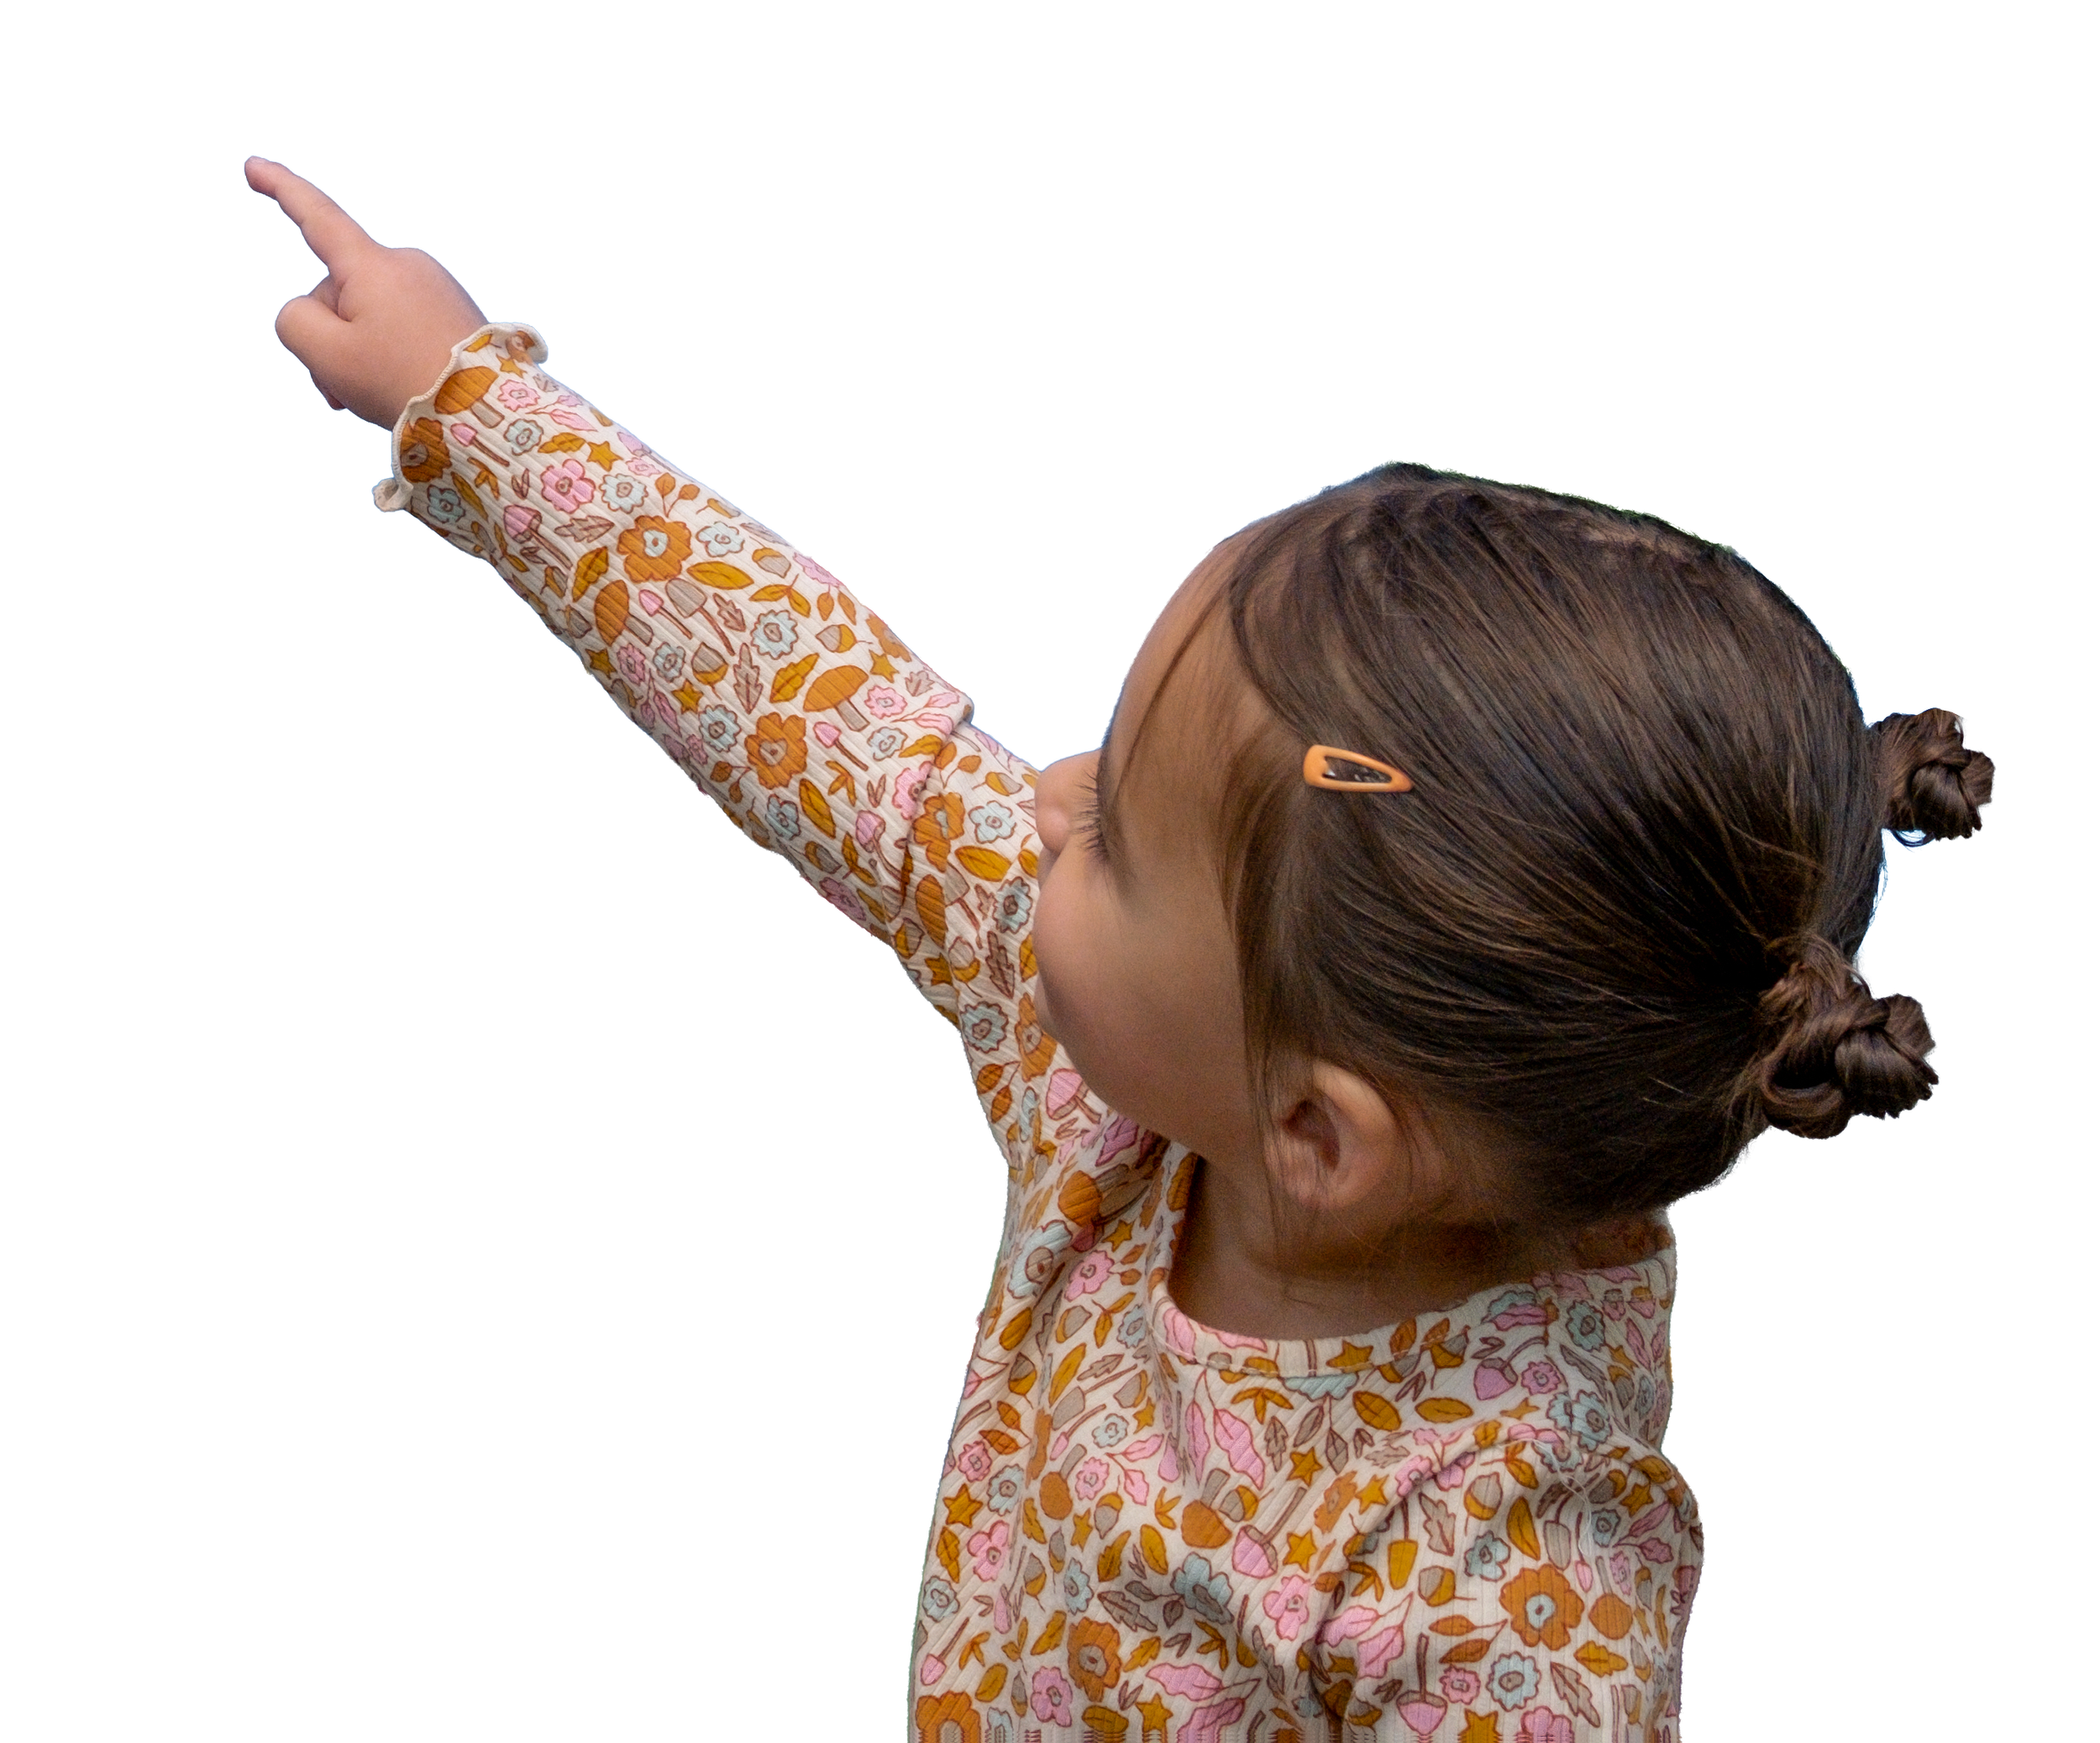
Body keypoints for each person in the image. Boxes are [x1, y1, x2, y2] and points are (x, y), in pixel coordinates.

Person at [247, 158, 1990, 1740]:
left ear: (1318, 1132)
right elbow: (830, 723)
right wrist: (471, 410)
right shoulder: (1156, 1096)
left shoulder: (1503, 1608)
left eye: (1123, 834)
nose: (1050, 797)